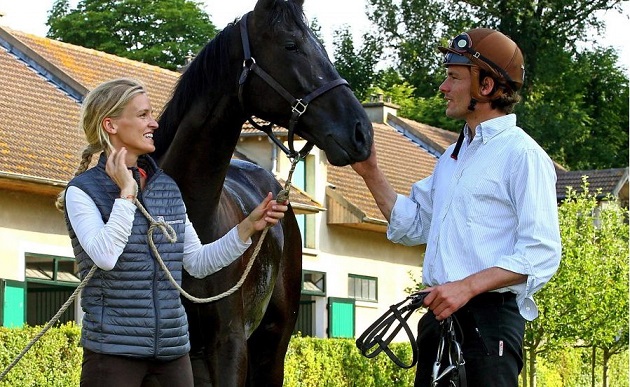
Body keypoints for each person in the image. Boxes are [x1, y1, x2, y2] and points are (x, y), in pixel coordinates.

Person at [352, 28, 561, 386]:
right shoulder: (450, 157)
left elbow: (540, 253)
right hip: (440, 319)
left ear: (486, 87)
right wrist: (369, 170)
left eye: (453, 77)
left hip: (489, 324)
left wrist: (465, 287)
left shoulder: (523, 155)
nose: (443, 87)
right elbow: (412, 226)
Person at [55, 78, 289, 387]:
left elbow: (197, 262)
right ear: (110, 124)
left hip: (173, 353)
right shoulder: (82, 192)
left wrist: (248, 227)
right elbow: (105, 256)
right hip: (113, 355)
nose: (154, 123)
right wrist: (126, 193)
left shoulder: (166, 187)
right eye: (143, 115)